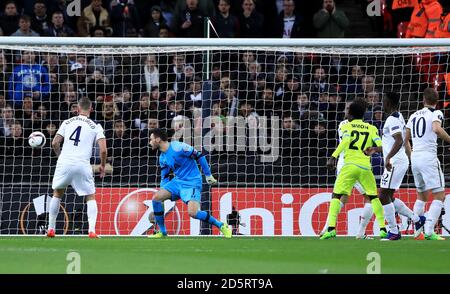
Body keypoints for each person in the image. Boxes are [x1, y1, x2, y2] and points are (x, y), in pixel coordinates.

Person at [321, 99, 386, 239]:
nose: (346, 111)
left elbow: (344, 142)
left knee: (338, 196)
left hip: (346, 164)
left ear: (351, 112)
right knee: (371, 197)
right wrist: (374, 149)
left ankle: (329, 228)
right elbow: (381, 146)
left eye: (348, 109)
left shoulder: (344, 125)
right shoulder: (370, 127)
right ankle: (369, 230)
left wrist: (333, 157)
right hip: (362, 165)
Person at [148, 128, 231, 238]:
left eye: (151, 139)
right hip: (177, 182)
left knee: (193, 213)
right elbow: (165, 177)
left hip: (192, 182)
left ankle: (221, 225)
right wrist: (162, 194)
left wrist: (208, 175)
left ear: (158, 139)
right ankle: (163, 232)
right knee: (156, 198)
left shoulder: (178, 147)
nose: (149, 142)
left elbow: (199, 156)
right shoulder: (162, 157)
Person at [365, 92, 425, 240]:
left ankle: (393, 231)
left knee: (383, 196)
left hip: (395, 162)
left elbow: (398, 141)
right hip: (399, 161)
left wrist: (388, 158)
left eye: (384, 101)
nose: (382, 103)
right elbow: (392, 142)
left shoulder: (392, 119)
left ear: (389, 103)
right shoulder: (398, 116)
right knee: (389, 197)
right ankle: (417, 220)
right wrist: (375, 149)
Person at [48, 98, 107, 238]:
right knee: (90, 196)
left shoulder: (66, 122)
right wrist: (103, 166)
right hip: (82, 164)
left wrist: (60, 157)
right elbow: (103, 150)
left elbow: (55, 143)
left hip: (64, 162)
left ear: (77, 109)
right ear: (91, 110)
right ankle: (91, 230)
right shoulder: (95, 126)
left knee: (57, 193)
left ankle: (51, 229)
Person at [404, 88, 449, 240]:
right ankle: (429, 231)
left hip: (415, 157)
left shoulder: (413, 115)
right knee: (440, 195)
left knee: (421, 196)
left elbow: (406, 140)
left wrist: (412, 157)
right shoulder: (436, 113)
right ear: (437, 101)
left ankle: (417, 232)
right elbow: (436, 129)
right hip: (428, 157)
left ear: (423, 100)